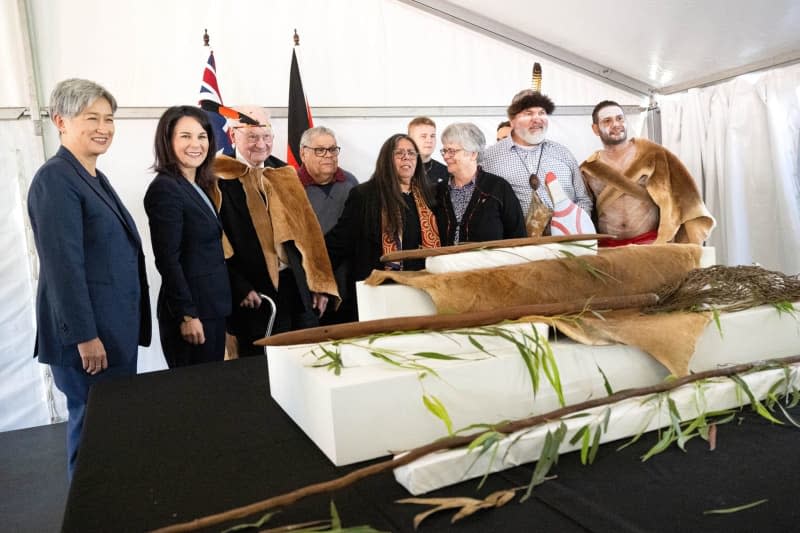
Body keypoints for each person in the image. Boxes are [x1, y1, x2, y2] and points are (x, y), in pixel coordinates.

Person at [27, 78, 151, 478]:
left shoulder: (92, 175)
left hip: (112, 331)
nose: (104, 127)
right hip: (87, 338)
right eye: (91, 118)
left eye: (109, 118)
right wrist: (84, 335)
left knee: (111, 432)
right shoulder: (55, 179)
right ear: (60, 121)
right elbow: (63, 267)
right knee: (92, 434)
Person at [212, 106, 338, 356]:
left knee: (306, 362)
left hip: (296, 289)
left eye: (266, 135)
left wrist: (319, 282)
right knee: (260, 372)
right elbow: (216, 241)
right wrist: (239, 287)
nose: (261, 144)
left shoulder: (284, 174)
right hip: (253, 294)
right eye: (252, 136)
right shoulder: (216, 178)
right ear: (232, 136)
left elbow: (308, 232)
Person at [144, 106, 231, 367]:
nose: (196, 144)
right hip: (192, 314)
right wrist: (186, 315)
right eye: (185, 136)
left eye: (202, 136)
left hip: (211, 307)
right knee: (196, 397)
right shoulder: (165, 189)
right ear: (167, 141)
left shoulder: (197, 185)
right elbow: (168, 260)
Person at [326, 134, 440, 318]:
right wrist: (319, 283)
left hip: (422, 291)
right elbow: (339, 243)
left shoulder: (430, 196)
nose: (406, 158)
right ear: (386, 159)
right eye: (399, 153)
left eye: (411, 153)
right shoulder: (364, 195)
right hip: (377, 291)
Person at [580, 101, 715, 246]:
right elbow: (584, 209)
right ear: (595, 129)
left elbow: (685, 195)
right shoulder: (588, 169)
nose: (616, 124)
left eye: (620, 118)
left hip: (649, 242)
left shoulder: (654, 155)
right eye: (607, 121)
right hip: (608, 246)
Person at [482, 90, 593, 223]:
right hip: (518, 242)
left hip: (567, 240)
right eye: (528, 113)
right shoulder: (489, 159)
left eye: (541, 113)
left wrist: (574, 228)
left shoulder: (563, 153)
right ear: (512, 121)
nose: (537, 119)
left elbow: (583, 199)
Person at [298, 126, 359, 324]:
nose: (328, 155)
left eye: (333, 149)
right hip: (309, 285)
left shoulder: (351, 183)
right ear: (303, 153)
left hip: (348, 281)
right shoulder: (290, 187)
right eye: (320, 150)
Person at [434, 123, 525, 245]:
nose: (446, 156)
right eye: (444, 151)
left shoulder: (498, 187)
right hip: (446, 263)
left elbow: (518, 236)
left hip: (490, 264)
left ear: (473, 154)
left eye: (452, 151)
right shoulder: (439, 191)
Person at [408, 116, 449, 184]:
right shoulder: (399, 170)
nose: (429, 140)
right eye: (423, 136)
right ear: (410, 140)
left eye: (432, 136)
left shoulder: (446, 172)